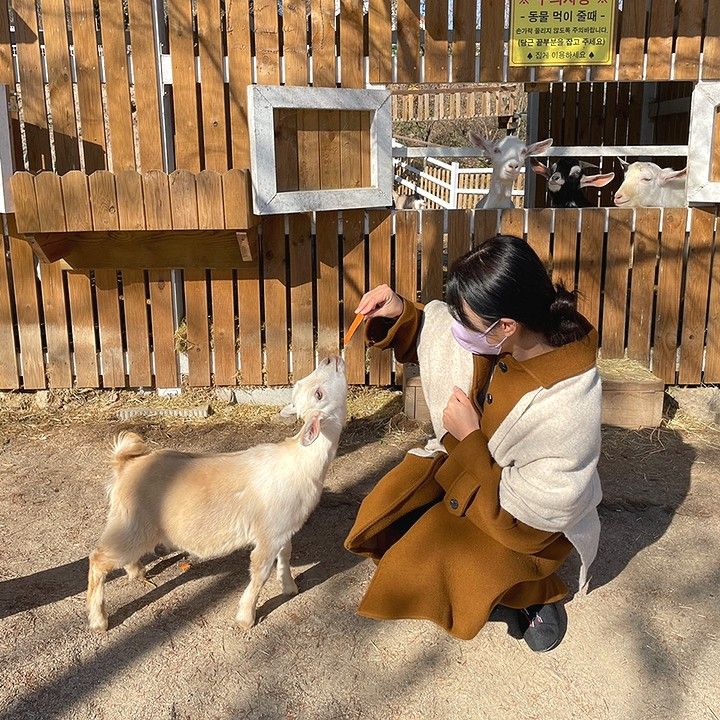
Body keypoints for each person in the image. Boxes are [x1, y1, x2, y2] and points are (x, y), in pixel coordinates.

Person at [344, 234, 602, 652]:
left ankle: (532, 591)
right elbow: (443, 335)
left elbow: (530, 521)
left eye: (468, 321)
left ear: (506, 327)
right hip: (471, 469)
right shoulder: (516, 331)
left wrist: (470, 440)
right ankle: (497, 586)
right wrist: (401, 312)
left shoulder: (567, 405)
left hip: (519, 522)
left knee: (441, 566)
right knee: (386, 519)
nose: (457, 328)